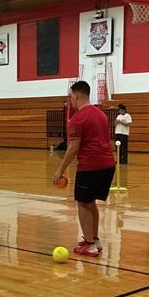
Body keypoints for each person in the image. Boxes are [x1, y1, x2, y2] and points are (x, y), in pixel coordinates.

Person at [53, 80, 116, 257]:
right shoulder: (101, 114)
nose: (70, 100)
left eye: (70, 96)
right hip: (107, 165)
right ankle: (94, 239)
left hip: (90, 166)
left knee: (83, 203)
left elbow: (73, 147)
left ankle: (89, 245)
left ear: (77, 95)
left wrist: (60, 170)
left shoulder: (77, 119)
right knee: (91, 202)